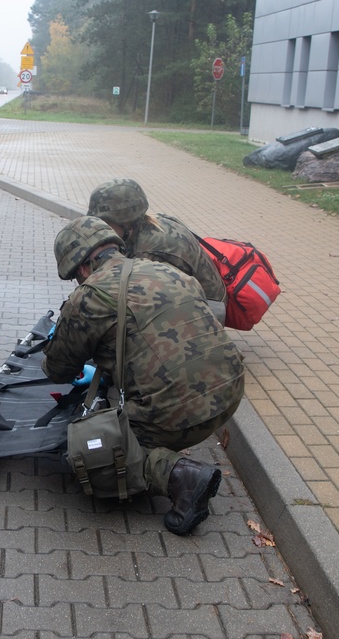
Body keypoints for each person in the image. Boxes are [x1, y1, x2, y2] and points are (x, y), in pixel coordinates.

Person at [43, 216, 245, 535]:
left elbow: (58, 370)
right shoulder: (166, 269)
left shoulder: (89, 296)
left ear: (80, 267)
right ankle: (168, 441)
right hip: (231, 391)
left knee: (90, 446)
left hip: (187, 412)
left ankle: (181, 476)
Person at [86, 178, 228, 323]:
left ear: (125, 222)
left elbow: (142, 302)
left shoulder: (150, 252)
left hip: (209, 312)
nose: (101, 230)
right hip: (198, 301)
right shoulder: (152, 222)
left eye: (105, 224)